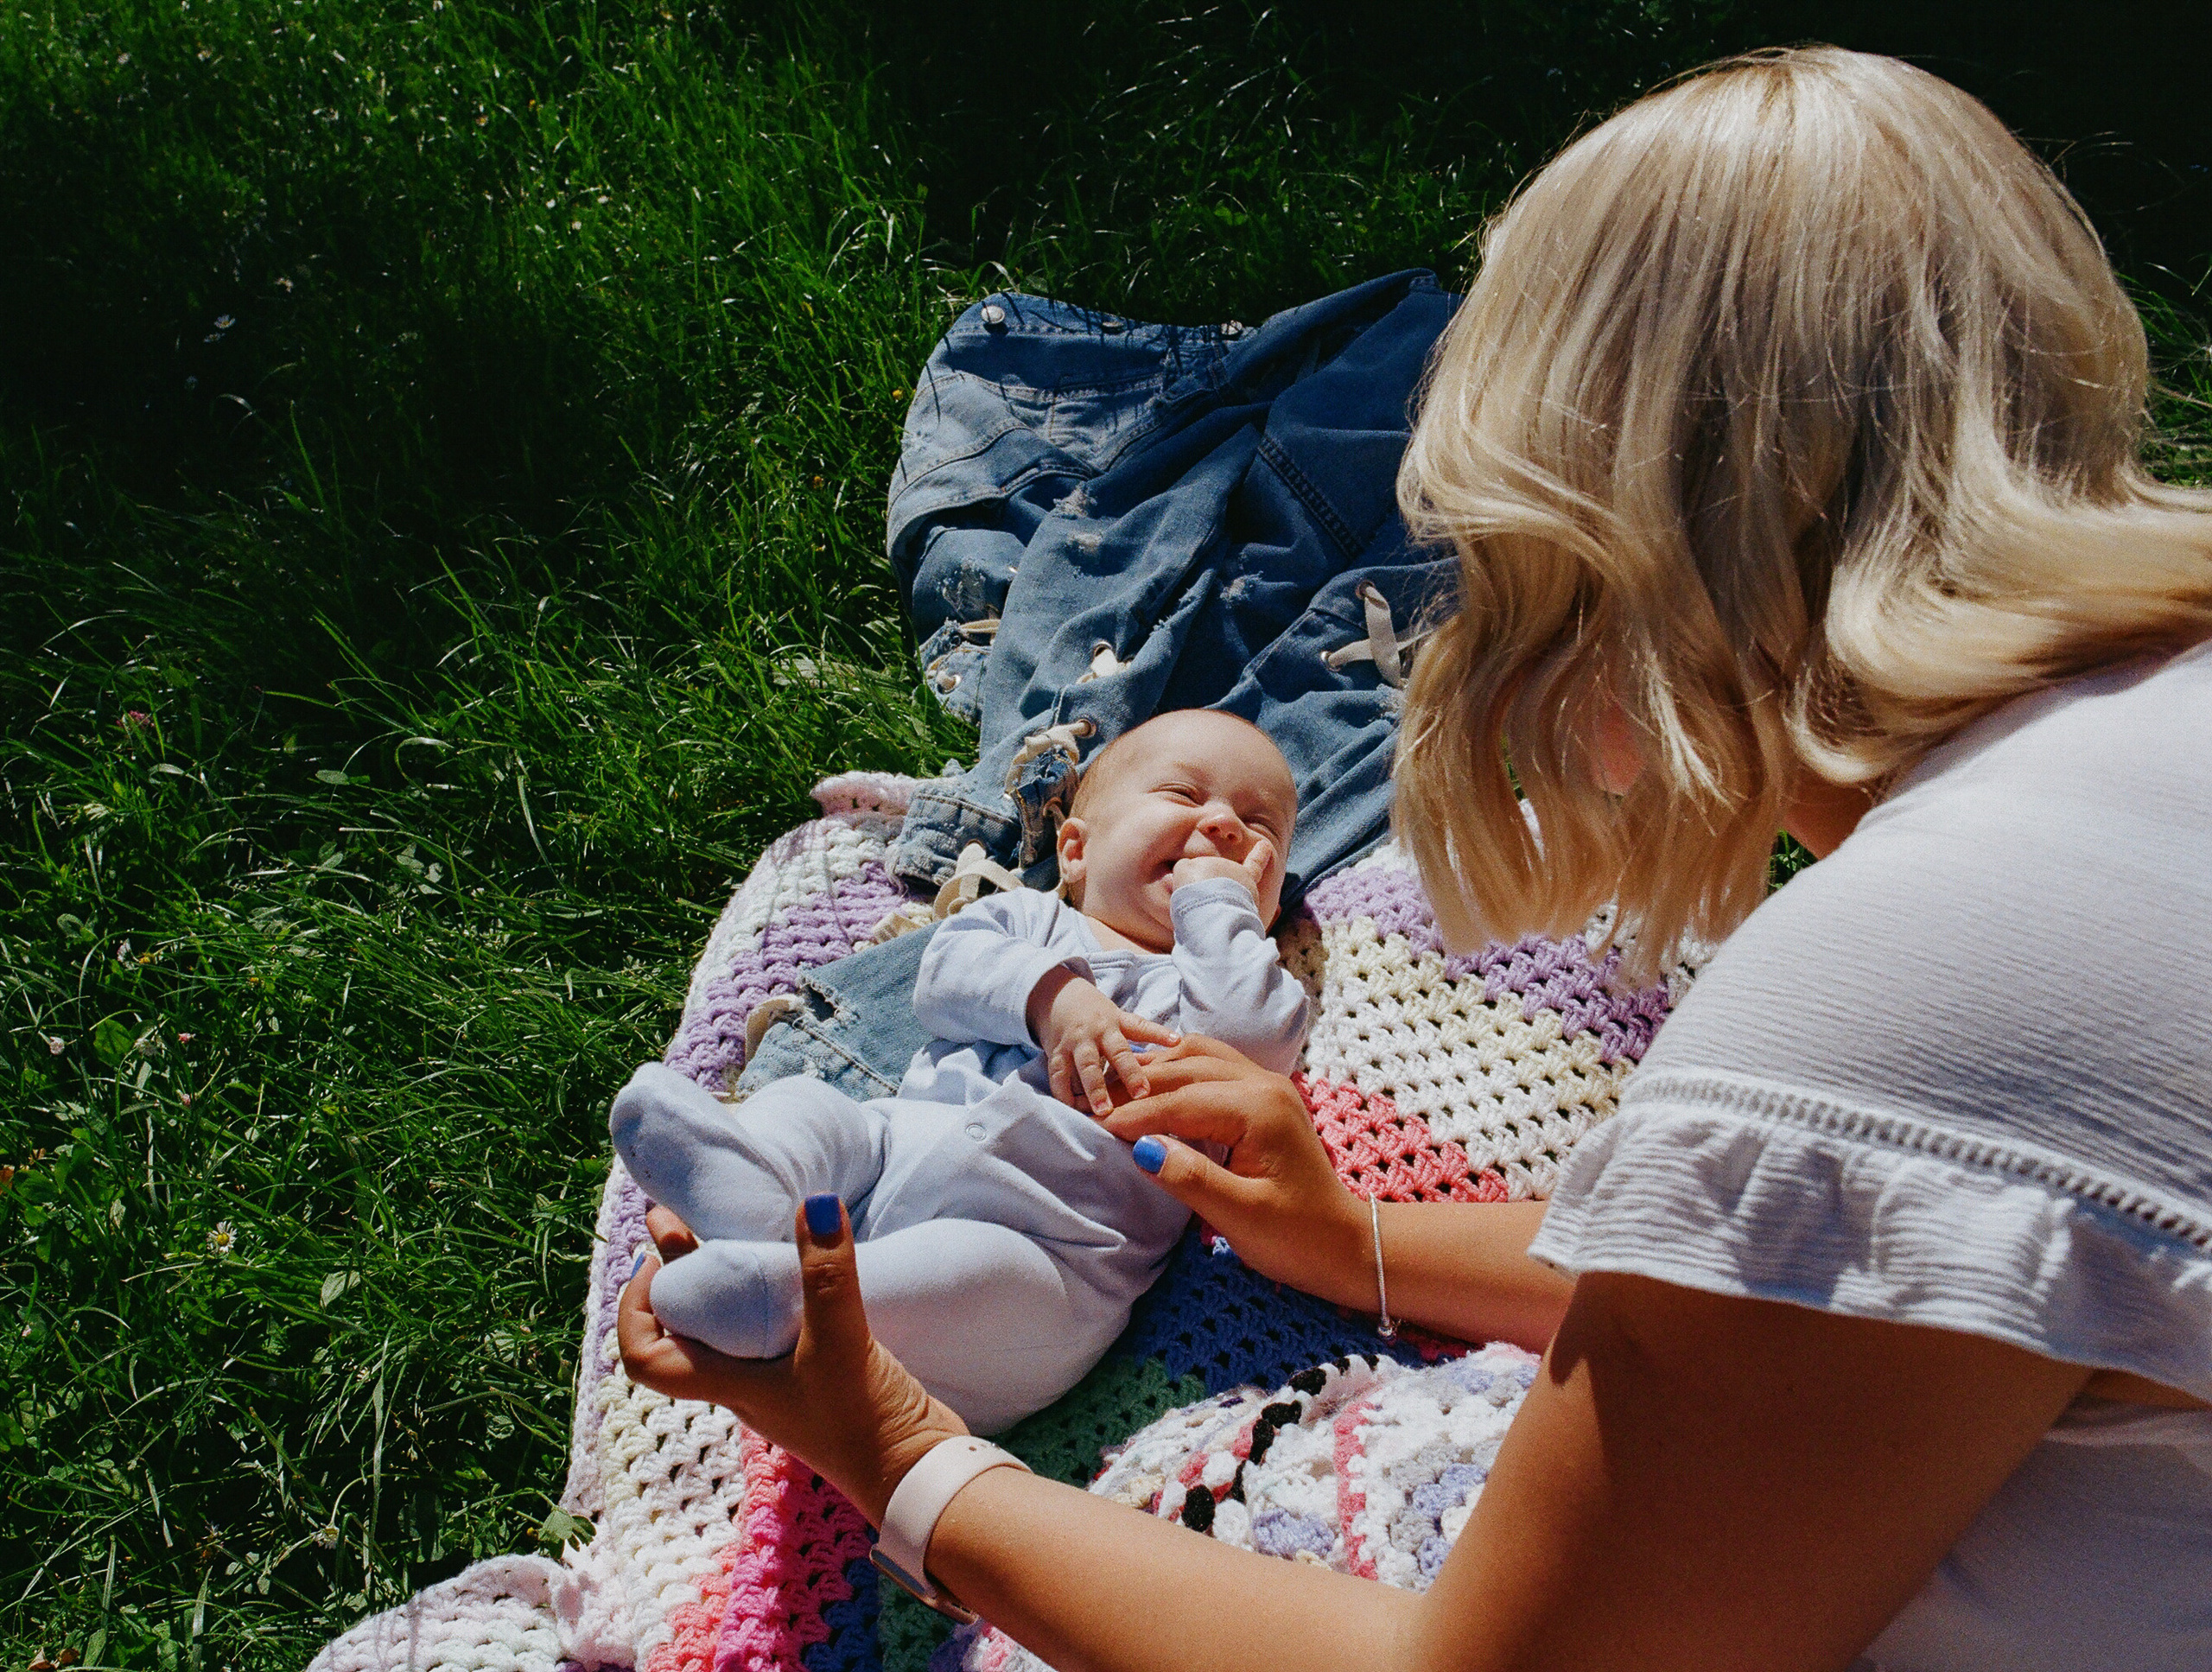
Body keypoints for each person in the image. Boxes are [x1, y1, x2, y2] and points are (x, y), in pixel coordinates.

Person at [619, 46, 2212, 1671]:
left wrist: (891, 1450)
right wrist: (1350, 1243)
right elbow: (1833, 1280)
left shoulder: (1905, 994)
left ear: (1591, 537)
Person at [609, 707, 1311, 1434]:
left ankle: (775, 1298)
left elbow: (1248, 1044)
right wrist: (1051, 995)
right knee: (817, 1111)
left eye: (1261, 829)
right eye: (1184, 796)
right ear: (1074, 850)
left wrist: (1219, 904)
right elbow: (941, 974)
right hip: (890, 1153)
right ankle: (756, 1186)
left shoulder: (1236, 985)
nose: (1226, 827)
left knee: (970, 1278)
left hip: (1050, 1259)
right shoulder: (1031, 922)